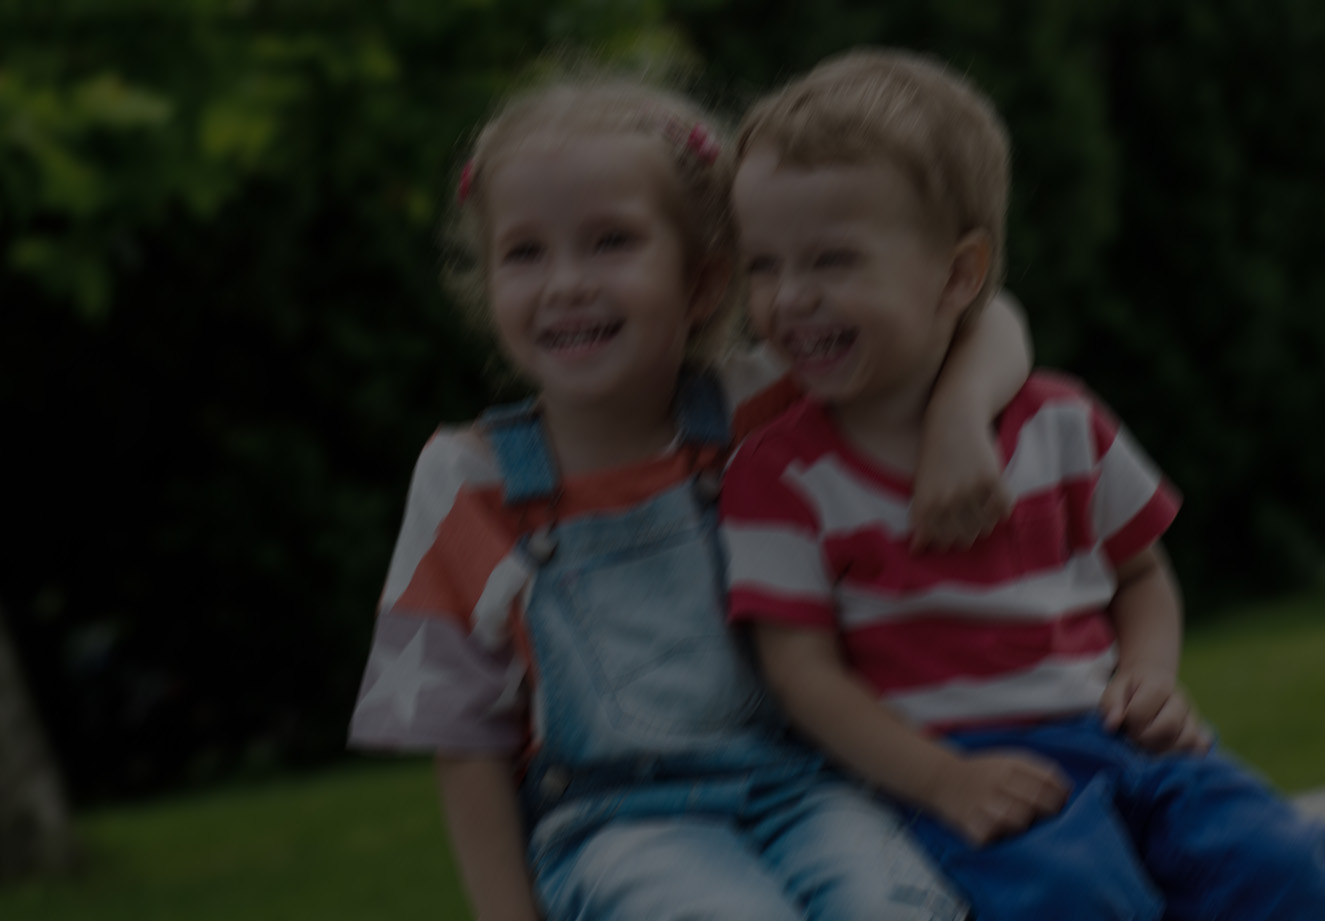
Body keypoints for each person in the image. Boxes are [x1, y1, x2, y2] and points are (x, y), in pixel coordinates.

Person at [348, 71, 1032, 921]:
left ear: (703, 281)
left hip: (810, 787)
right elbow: (464, 741)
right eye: (524, 252)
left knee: (890, 901)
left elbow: (978, 313)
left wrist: (960, 415)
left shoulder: (765, 406)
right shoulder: (467, 481)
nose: (564, 282)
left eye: (610, 242)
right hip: (617, 828)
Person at [721, 47, 1325, 921]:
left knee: (1285, 870)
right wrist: (941, 780)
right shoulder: (779, 474)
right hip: (957, 762)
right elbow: (803, 677)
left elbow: (1142, 574)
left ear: (959, 274)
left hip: (1125, 740)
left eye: (832, 261)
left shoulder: (1061, 422)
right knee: (1081, 903)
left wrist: (1150, 675)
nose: (788, 298)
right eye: (762, 266)